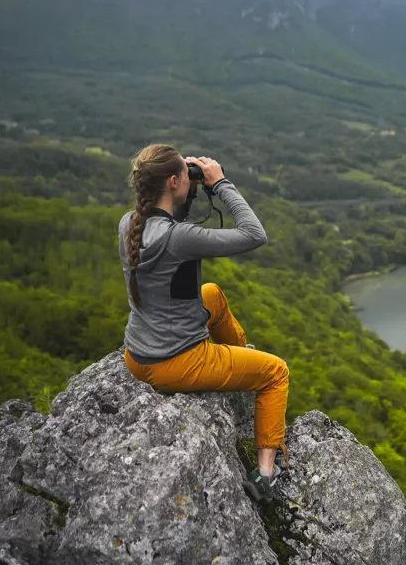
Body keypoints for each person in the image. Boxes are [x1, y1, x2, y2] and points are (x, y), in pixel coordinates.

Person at [118, 143, 289, 503]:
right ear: (175, 180)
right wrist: (221, 184)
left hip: (137, 356)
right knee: (275, 372)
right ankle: (266, 475)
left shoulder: (129, 224)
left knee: (209, 292)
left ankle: (240, 358)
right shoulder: (180, 237)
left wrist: (188, 189)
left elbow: (170, 233)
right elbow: (255, 235)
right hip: (175, 363)